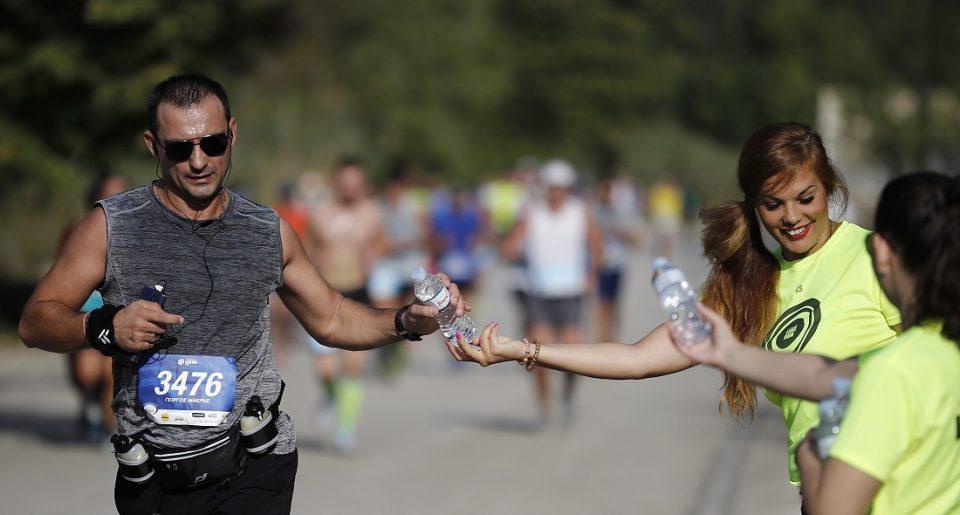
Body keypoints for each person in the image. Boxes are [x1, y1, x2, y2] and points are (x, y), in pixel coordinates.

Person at [17, 74, 467, 515]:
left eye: (212, 143)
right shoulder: (111, 226)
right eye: (179, 148)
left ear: (232, 135)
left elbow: (330, 317)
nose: (198, 161)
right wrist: (105, 326)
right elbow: (36, 320)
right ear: (153, 146)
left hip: (253, 464)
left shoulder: (267, 231)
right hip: (153, 474)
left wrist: (407, 320)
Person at [450, 122, 901, 489]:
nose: (791, 218)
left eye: (806, 199)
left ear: (829, 188)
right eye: (773, 204)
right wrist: (520, 349)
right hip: (821, 491)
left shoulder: (878, 258)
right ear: (754, 206)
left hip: (904, 488)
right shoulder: (749, 284)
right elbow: (638, 357)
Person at [668, 172, 960, 515]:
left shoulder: (893, 373)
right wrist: (730, 353)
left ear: (881, 251)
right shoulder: (941, 352)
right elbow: (823, 374)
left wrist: (810, 457)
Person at [500, 159, 603, 426]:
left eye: (561, 188)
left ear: (568, 189)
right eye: (552, 187)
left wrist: (591, 275)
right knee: (538, 352)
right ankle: (544, 403)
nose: (556, 193)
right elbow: (511, 245)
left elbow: (596, 247)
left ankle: (568, 395)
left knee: (573, 351)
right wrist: (510, 249)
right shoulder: (531, 212)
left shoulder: (580, 212)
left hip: (571, 290)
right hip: (540, 290)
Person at [301, 158, 386, 453]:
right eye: (345, 181)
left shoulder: (372, 213)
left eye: (356, 182)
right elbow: (305, 249)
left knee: (353, 367)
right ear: (337, 182)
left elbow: (380, 243)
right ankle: (330, 395)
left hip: (358, 294)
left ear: (363, 184)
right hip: (324, 295)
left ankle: (345, 431)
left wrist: (375, 254)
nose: (350, 187)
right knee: (325, 370)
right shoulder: (321, 213)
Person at [62, 173, 128, 441]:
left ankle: (109, 426)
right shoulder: (76, 231)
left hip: (118, 316)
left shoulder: (138, 234)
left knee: (109, 375)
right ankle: (88, 403)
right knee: (87, 374)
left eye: (120, 195)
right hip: (84, 314)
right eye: (107, 195)